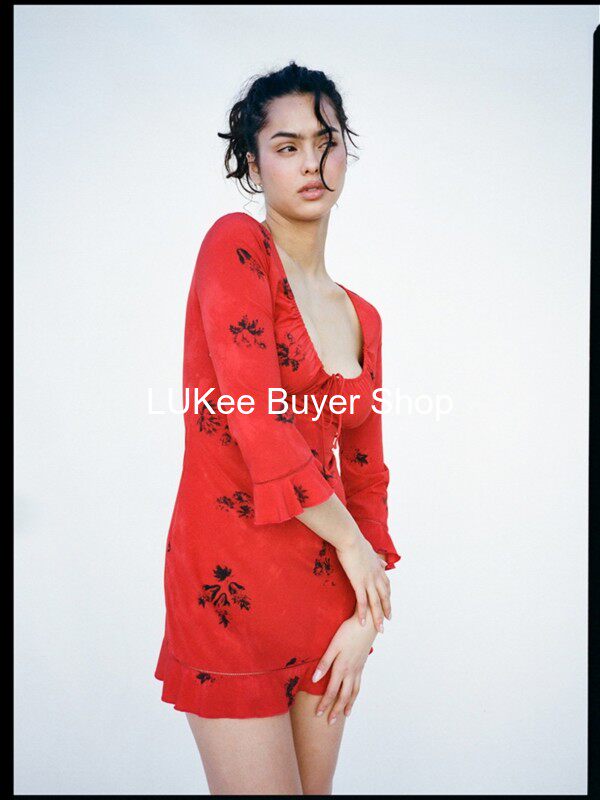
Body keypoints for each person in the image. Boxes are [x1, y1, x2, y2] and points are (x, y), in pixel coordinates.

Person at [155, 61, 401, 795]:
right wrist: (356, 549)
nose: (311, 163)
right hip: (230, 592)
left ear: (345, 153)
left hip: (328, 604)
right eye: (286, 146)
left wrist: (365, 614)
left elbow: (367, 477)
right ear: (252, 164)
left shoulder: (364, 316)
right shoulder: (235, 246)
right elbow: (256, 421)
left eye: (326, 143)